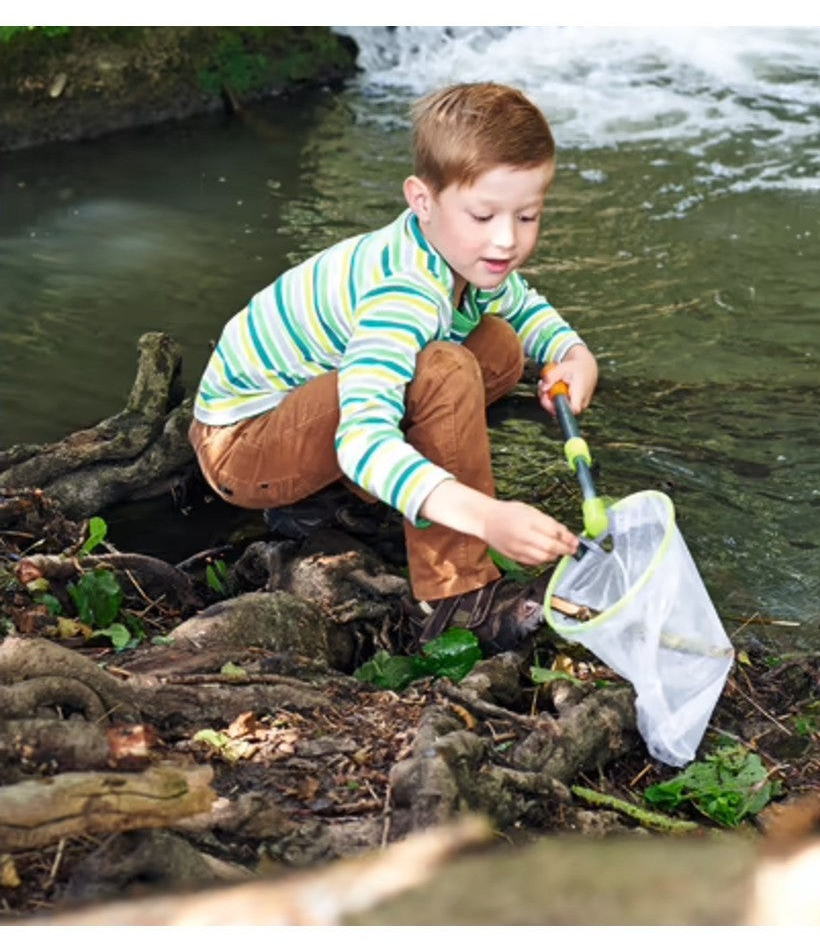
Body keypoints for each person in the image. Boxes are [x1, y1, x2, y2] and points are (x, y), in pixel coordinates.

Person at [188, 82, 599, 653]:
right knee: (446, 369)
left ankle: (356, 498)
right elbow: (360, 439)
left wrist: (574, 355)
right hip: (244, 444)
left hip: (304, 411)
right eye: (482, 215)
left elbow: (523, 305)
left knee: (500, 346)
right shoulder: (402, 293)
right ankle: (456, 596)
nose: (506, 240)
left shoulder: (460, 253)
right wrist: (486, 516)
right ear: (422, 200)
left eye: (527, 216)